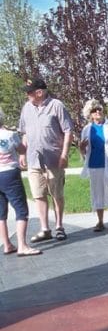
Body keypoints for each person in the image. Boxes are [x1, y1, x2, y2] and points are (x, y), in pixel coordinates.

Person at [18, 78, 73, 242]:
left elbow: (68, 131)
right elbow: (25, 132)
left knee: (57, 194)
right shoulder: (27, 108)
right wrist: (22, 152)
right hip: (34, 160)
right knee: (38, 195)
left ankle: (59, 226)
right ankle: (45, 229)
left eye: (29, 92)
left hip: (54, 159)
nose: (27, 95)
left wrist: (64, 154)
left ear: (39, 92)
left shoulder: (57, 106)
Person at [0, 108, 42, 257]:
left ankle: (7, 245)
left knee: (1, 213)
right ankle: (22, 246)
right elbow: (22, 149)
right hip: (9, 173)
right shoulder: (9, 134)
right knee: (21, 210)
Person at [79, 99, 108, 232]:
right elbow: (84, 151)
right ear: (90, 115)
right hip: (94, 165)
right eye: (94, 110)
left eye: (99, 109)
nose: (97, 112)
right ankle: (100, 221)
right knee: (97, 193)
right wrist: (81, 148)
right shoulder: (87, 129)